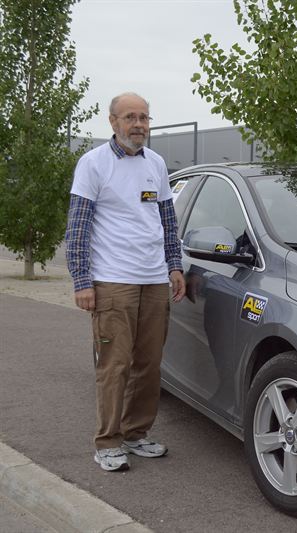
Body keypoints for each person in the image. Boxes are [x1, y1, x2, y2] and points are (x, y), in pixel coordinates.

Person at [65, 92, 186, 472]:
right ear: (113, 122)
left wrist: (174, 266)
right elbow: (78, 227)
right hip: (112, 282)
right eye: (130, 117)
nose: (138, 124)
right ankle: (108, 442)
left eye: (144, 117)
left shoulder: (156, 164)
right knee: (114, 366)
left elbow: (167, 220)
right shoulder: (93, 164)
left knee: (149, 365)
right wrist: (82, 281)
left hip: (154, 281)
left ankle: (136, 434)